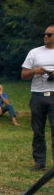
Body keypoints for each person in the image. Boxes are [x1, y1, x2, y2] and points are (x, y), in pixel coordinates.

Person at [21, 24, 54, 171]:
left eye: (49, 34)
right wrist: (35, 71)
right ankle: (39, 162)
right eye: (45, 34)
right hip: (38, 94)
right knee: (38, 130)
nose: (46, 36)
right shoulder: (34, 52)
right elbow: (23, 75)